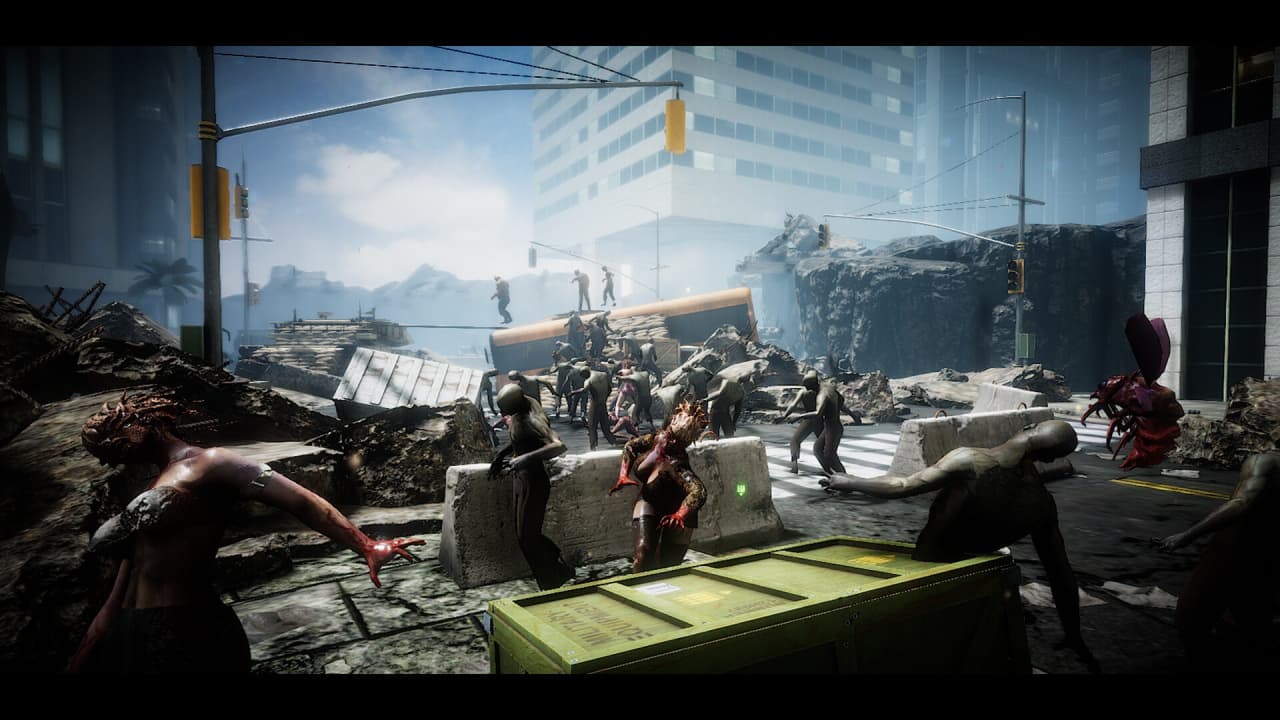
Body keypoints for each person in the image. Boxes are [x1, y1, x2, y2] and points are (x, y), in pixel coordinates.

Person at [68, 391, 424, 673]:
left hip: (185, 626)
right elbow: (117, 593)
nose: (112, 451)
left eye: (114, 433)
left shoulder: (212, 463)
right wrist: (84, 653)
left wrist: (365, 545)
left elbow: (301, 501)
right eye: (104, 450)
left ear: (144, 419)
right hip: (130, 634)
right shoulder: (149, 487)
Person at [822, 420, 1099, 673]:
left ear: (1028, 426)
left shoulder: (971, 460)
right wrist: (1073, 634)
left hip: (928, 572)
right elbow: (1060, 573)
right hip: (979, 582)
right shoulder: (1042, 503)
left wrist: (849, 481)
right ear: (1049, 458)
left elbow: (903, 485)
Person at [1158, 452, 1280, 671]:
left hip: (1235, 549)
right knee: (1254, 619)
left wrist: (1187, 535)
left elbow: (1241, 502)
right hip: (1267, 553)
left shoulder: (1265, 461)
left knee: (1191, 619)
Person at [488, 383, 576, 590]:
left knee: (528, 538)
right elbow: (522, 439)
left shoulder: (532, 419)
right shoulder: (523, 408)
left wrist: (525, 458)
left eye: (504, 409)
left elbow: (559, 445)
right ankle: (553, 575)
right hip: (520, 478)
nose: (502, 413)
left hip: (533, 480)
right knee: (524, 536)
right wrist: (502, 455)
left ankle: (552, 577)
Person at [609, 400, 710, 573]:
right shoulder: (657, 438)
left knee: (669, 566)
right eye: (668, 432)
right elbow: (631, 446)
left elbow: (698, 491)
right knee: (643, 556)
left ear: (679, 442)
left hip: (678, 511)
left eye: (671, 438)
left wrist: (680, 514)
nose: (667, 437)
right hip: (650, 499)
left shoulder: (677, 465)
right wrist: (623, 475)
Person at [785, 377, 858, 475]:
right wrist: (853, 415)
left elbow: (818, 413)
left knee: (829, 454)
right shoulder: (830, 392)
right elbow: (841, 406)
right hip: (827, 424)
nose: (809, 391)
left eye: (809, 388)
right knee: (818, 449)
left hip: (829, 425)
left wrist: (798, 417)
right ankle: (830, 473)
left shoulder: (822, 394)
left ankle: (843, 477)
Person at [774, 370, 822, 474]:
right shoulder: (821, 392)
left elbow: (793, 405)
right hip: (820, 420)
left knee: (795, 441)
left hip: (809, 420)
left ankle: (794, 465)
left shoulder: (803, 392)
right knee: (824, 444)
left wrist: (784, 416)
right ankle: (829, 466)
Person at [571, 365, 618, 451]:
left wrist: (573, 392)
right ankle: (613, 443)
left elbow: (584, 390)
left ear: (585, 373)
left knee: (592, 426)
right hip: (603, 403)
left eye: (583, 376)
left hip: (595, 403)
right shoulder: (603, 375)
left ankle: (593, 447)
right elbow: (610, 389)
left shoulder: (588, 380)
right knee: (605, 426)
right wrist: (605, 398)